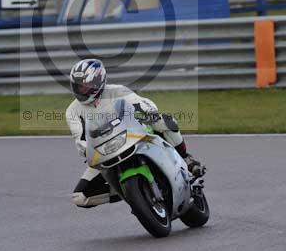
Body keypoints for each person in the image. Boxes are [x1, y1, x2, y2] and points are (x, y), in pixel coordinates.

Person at [66, 58, 203, 208]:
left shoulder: (117, 91)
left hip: (133, 135)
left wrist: (149, 112)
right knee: (80, 197)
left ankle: (187, 159)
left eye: (85, 86)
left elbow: (139, 102)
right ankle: (129, 193)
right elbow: (79, 138)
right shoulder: (72, 110)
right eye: (77, 86)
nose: (81, 90)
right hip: (103, 152)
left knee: (165, 121)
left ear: (98, 81)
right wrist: (86, 150)